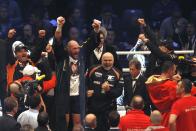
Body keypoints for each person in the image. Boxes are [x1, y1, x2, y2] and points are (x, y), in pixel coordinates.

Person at [46, 16, 101, 131]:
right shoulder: (62, 58)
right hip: (64, 95)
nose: (77, 50)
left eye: (77, 48)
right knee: (63, 125)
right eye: (74, 49)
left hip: (78, 96)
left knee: (78, 123)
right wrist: (59, 26)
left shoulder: (82, 58)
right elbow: (57, 42)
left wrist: (96, 30)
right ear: (67, 49)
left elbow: (91, 43)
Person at [86, 52, 123, 131]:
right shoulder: (92, 69)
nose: (107, 62)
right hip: (93, 107)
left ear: (113, 61)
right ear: (101, 60)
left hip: (109, 109)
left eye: (110, 60)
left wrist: (108, 90)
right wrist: (86, 92)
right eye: (105, 60)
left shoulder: (118, 73)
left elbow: (119, 92)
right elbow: (83, 84)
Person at [145, 61, 181, 127]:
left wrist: (171, 79)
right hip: (170, 117)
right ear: (170, 70)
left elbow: (163, 81)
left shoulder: (151, 84)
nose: (174, 73)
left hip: (156, 116)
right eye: (174, 71)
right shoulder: (172, 85)